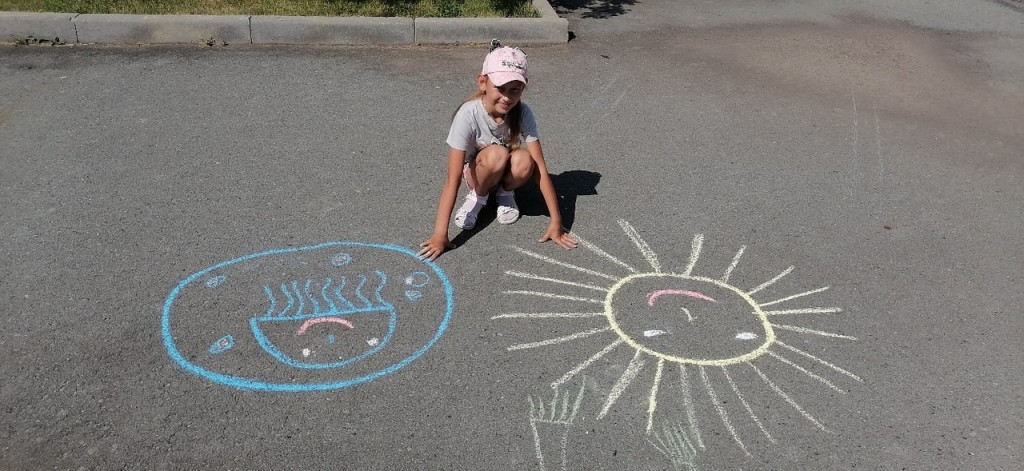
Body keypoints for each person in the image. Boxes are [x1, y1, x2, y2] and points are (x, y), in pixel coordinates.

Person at [419, 41, 577, 261]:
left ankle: (505, 192)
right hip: (477, 173)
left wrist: (557, 222)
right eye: (500, 88)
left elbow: (540, 168)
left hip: (503, 170)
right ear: (483, 82)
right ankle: (479, 196)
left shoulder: (522, 112)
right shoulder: (468, 114)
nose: (507, 97)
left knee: (525, 159)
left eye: (515, 90)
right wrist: (440, 234)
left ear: (523, 88)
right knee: (497, 154)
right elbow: (452, 179)